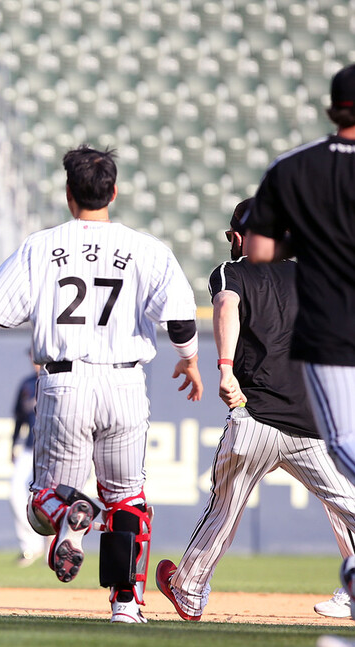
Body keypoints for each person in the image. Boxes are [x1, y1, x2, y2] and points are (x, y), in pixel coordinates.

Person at [0, 145, 202, 623]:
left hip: (65, 381)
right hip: (125, 383)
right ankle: (127, 605)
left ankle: (71, 514)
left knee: (43, 504)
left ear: (67, 192)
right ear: (114, 192)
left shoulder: (41, 244)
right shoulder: (147, 248)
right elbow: (180, 319)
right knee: (128, 501)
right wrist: (190, 360)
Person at [156, 198, 355, 622]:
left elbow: (227, 305)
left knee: (225, 507)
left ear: (242, 235)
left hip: (255, 417)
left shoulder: (234, 270)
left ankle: (188, 590)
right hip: (310, 422)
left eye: (233, 234)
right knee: (349, 504)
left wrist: (224, 367)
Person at [243, 63, 355, 612]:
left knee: (343, 446)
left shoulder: (295, 168)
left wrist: (304, 231)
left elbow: (260, 251)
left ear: (334, 110)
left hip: (334, 330)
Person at [10, 354, 47, 567]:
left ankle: (53, 549)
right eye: (33, 358)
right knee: (15, 493)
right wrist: (12, 445)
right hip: (27, 448)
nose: (35, 362)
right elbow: (19, 419)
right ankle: (30, 547)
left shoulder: (57, 381)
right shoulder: (26, 384)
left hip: (50, 449)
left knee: (49, 498)